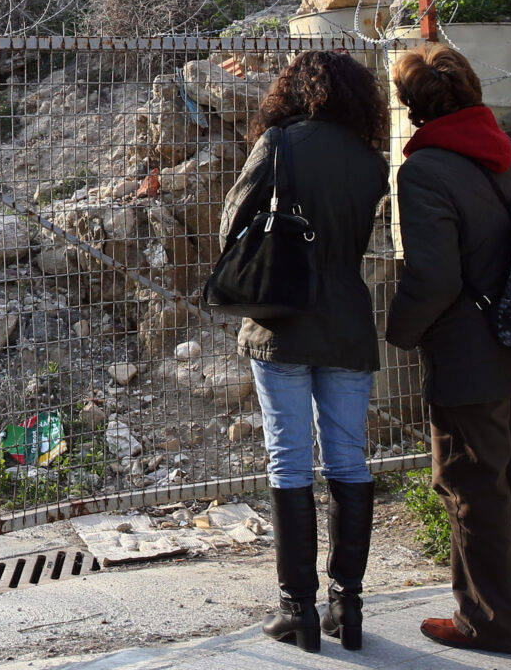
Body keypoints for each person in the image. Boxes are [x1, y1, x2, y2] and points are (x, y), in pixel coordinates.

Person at [385, 43, 511, 654]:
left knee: (471, 489)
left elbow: (434, 278)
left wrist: (399, 333)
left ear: (412, 106)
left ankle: (486, 622)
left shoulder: (426, 170)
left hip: (473, 361)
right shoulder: (508, 150)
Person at [219, 50, 389, 653]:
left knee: (288, 462)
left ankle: (298, 610)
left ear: (294, 90)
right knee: (349, 462)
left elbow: (230, 224)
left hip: (282, 323)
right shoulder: (370, 162)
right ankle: (349, 604)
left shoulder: (280, 142)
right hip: (347, 323)